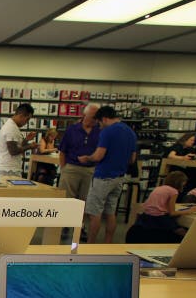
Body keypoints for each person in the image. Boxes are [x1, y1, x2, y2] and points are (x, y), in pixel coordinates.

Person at [78, 106, 137, 244]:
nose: (99, 125)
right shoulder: (130, 132)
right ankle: (108, 243)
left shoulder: (107, 132)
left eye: (99, 122)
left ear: (104, 119)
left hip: (103, 176)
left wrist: (87, 158)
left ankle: (90, 244)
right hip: (119, 177)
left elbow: (98, 156)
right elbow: (132, 159)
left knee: (95, 212)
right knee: (111, 212)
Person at [57, 104, 100, 236]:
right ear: (84, 115)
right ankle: (64, 225)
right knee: (67, 198)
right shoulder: (72, 130)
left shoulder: (100, 131)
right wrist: (64, 168)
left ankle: (79, 227)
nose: (95, 120)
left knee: (84, 200)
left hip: (90, 170)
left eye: (97, 118)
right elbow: (62, 150)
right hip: (71, 168)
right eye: (92, 117)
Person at [135, 171, 196, 239]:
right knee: (182, 231)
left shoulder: (159, 188)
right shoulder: (173, 191)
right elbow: (172, 213)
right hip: (158, 217)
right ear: (180, 183)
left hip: (146, 216)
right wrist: (190, 210)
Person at [0, 103, 37, 177]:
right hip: (9, 170)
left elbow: (17, 147)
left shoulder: (12, 127)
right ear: (21, 115)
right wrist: (30, 146)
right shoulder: (11, 128)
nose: (27, 122)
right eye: (27, 119)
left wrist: (26, 140)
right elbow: (13, 151)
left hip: (10, 168)